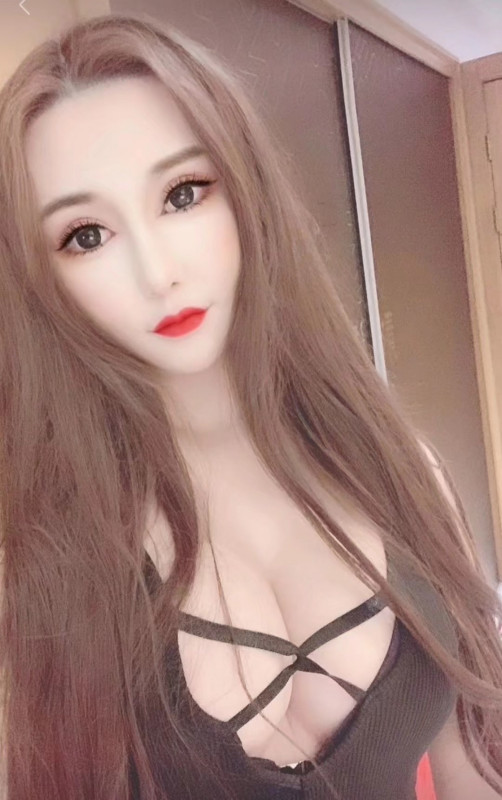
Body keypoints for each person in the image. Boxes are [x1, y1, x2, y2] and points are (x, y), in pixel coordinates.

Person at [0, 11, 501, 800]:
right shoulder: (37, 565)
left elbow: (473, 764)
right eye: (87, 235)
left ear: (246, 191)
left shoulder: (407, 474)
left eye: (182, 193)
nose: (158, 272)